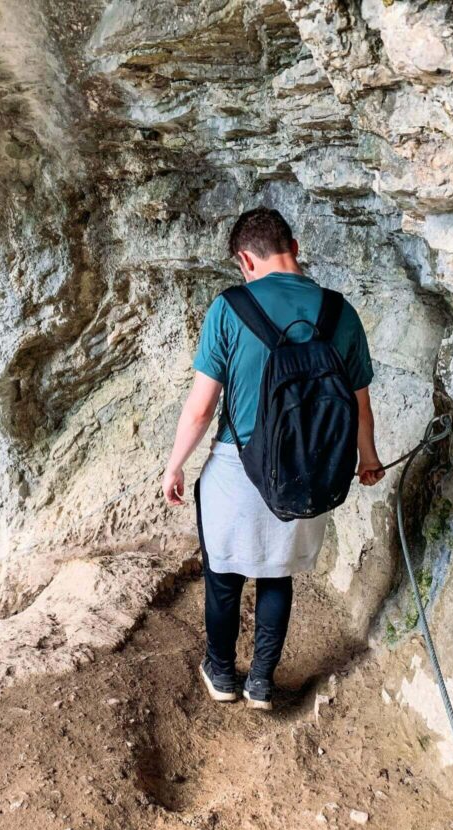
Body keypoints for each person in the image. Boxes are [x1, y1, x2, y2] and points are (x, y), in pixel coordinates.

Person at [162, 207, 385, 710]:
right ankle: (261, 682)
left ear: (245, 259)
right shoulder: (340, 312)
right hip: (310, 469)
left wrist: (174, 465)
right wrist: (367, 458)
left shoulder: (229, 308)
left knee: (223, 575)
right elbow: (359, 403)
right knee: (275, 574)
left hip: (239, 470)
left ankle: (221, 674)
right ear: (295, 247)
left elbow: (200, 410)